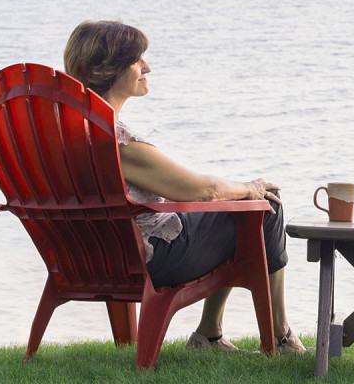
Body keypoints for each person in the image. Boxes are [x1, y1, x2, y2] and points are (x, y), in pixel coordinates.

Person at [63, 20, 306, 354]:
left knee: (240, 204)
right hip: (149, 257)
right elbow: (201, 191)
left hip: (89, 254)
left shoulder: (69, 131)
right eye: (137, 61)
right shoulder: (116, 143)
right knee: (265, 205)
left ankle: (211, 335)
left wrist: (238, 190)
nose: (147, 67)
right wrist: (250, 187)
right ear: (110, 70)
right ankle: (279, 336)